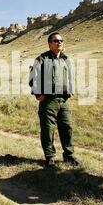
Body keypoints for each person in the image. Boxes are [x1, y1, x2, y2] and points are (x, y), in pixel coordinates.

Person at [29, 32, 79, 168]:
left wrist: (69, 92)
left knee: (67, 128)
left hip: (63, 101)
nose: (59, 43)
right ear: (49, 43)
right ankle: (50, 157)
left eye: (61, 40)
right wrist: (38, 94)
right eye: (56, 41)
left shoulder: (65, 59)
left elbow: (69, 78)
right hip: (48, 101)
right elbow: (33, 77)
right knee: (48, 130)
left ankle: (69, 155)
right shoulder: (41, 59)